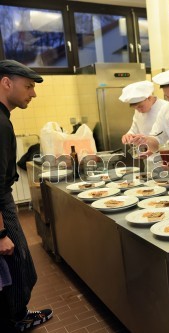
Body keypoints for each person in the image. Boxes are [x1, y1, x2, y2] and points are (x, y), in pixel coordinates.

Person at [0, 60, 53, 332]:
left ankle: (15, 315)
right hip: (2, 204)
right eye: (29, 86)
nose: (33, 93)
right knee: (21, 270)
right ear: (6, 83)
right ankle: (16, 320)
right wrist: (0, 233)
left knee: (15, 269)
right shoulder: (0, 123)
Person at [119, 80, 168, 144]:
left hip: (163, 151)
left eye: (140, 106)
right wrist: (129, 135)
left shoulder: (166, 107)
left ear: (149, 98)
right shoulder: (138, 110)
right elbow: (134, 128)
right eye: (135, 108)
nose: (139, 111)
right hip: (144, 150)